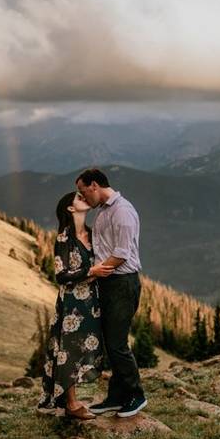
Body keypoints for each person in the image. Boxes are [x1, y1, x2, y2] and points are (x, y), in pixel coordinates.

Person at [75, 168, 147, 418]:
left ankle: (136, 395)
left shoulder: (122, 211)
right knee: (110, 342)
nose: (82, 197)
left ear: (94, 185)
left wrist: (93, 273)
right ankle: (117, 396)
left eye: (83, 191)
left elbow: (122, 253)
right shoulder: (104, 211)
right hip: (108, 282)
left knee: (117, 344)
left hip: (122, 283)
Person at [38, 191, 114, 419]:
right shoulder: (64, 238)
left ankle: (74, 400)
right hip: (72, 305)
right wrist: (91, 271)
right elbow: (61, 275)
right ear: (70, 209)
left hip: (92, 301)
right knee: (68, 351)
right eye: (79, 198)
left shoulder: (92, 234)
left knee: (85, 348)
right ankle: (71, 404)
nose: (84, 198)